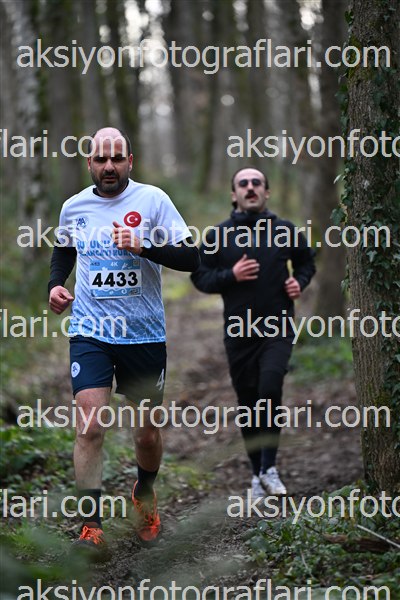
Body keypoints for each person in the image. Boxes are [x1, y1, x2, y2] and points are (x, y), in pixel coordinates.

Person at [48, 127, 199, 553]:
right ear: (90, 163)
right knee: (89, 426)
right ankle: (91, 527)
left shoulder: (154, 200)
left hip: (143, 335)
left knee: (146, 435)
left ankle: (144, 493)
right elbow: (64, 249)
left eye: (117, 158)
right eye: (101, 159)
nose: (109, 166)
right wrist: (56, 284)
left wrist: (144, 246)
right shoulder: (74, 207)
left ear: (130, 161)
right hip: (91, 332)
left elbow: (192, 256)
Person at [191, 167, 315, 499]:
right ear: (234, 194)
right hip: (238, 333)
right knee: (248, 402)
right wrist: (230, 275)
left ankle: (269, 469)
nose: (250, 188)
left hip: (277, 328)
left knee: (270, 389)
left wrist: (299, 282)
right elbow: (200, 277)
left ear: (266, 192)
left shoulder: (285, 230)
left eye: (256, 183)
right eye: (243, 184)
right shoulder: (218, 235)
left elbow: (307, 263)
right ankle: (256, 473)